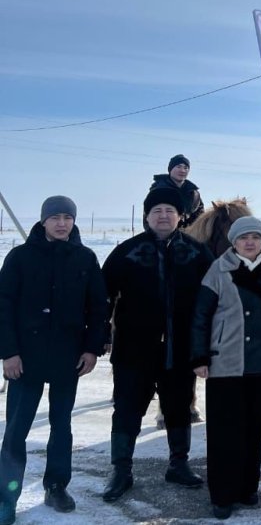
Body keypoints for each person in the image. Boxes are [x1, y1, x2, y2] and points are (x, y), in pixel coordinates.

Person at [0, 196, 109, 525]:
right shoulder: (20, 257)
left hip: (68, 359)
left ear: (73, 221)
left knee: (61, 427)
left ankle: (57, 485)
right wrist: (8, 352)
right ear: (43, 220)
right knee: (16, 431)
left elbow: (99, 308)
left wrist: (92, 349)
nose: (62, 223)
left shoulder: (86, 259)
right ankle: (6, 497)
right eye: (55, 217)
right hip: (25, 360)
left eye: (67, 217)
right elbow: (3, 306)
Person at [101, 188, 214, 502]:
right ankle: (121, 469)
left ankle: (179, 464)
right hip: (133, 350)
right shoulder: (127, 251)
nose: (163, 215)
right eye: (157, 210)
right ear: (147, 216)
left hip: (179, 350)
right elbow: (102, 296)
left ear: (180, 216)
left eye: (170, 210)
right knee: (127, 408)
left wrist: (206, 344)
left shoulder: (196, 252)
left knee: (178, 407)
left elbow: (213, 299)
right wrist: (102, 334)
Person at [191, 216, 261, 520]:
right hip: (225, 361)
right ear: (233, 242)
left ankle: (248, 488)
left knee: (254, 429)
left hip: (260, 362)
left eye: (255, 237)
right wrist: (200, 357)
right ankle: (222, 494)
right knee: (223, 432)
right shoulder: (218, 271)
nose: (250, 243)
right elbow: (201, 316)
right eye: (243, 238)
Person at [150, 154, 204, 228]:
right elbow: (149, 217)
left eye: (186, 168)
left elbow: (200, 218)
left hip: (189, 236)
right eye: (178, 167)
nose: (182, 170)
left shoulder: (194, 194)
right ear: (170, 169)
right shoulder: (158, 190)